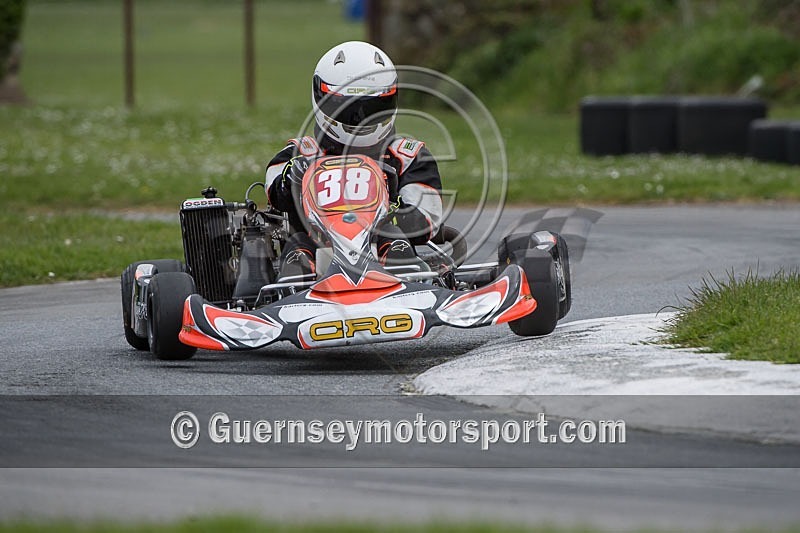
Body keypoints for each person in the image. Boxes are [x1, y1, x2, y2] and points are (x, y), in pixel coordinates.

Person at [265, 41, 443, 280]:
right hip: (317, 249)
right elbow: (274, 194)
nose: (359, 119)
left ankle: (404, 275)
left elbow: (426, 219)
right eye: (347, 109)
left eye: (371, 108)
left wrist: (387, 213)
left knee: (393, 237)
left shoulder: (408, 156)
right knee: (298, 244)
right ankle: (293, 288)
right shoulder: (302, 153)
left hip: (381, 248)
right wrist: (290, 180)